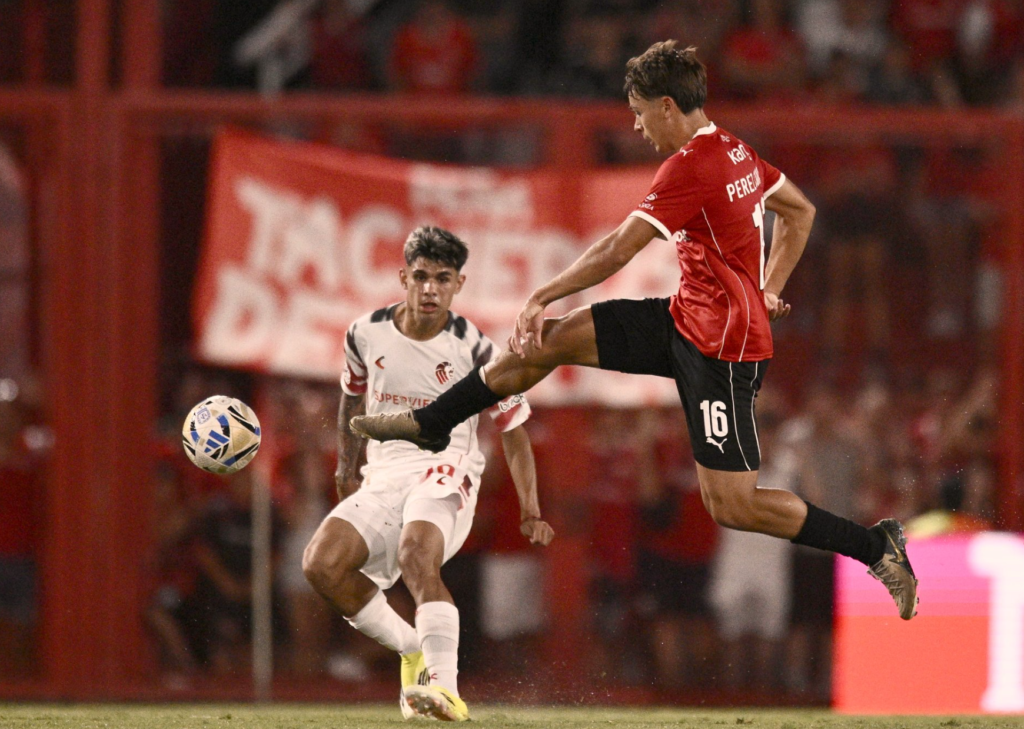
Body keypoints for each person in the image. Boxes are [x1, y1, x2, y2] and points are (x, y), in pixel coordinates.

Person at [351, 42, 919, 622]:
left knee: (733, 506)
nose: (637, 126)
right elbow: (799, 211)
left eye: (640, 112)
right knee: (550, 340)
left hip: (722, 351)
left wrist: (543, 293)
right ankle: (433, 421)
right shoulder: (736, 150)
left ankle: (876, 547)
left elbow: (619, 248)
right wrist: (766, 288)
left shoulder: (692, 165)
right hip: (684, 318)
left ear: (668, 106)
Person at [302, 226, 554, 722]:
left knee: (416, 554)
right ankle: (412, 648)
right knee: (321, 565)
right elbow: (352, 398)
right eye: (420, 277)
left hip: (447, 468)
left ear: (459, 284)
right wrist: (347, 468)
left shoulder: (476, 350)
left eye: (442, 278)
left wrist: (530, 509)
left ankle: (446, 690)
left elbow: (513, 428)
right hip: (384, 473)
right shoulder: (364, 333)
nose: (430, 289)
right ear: (403, 278)